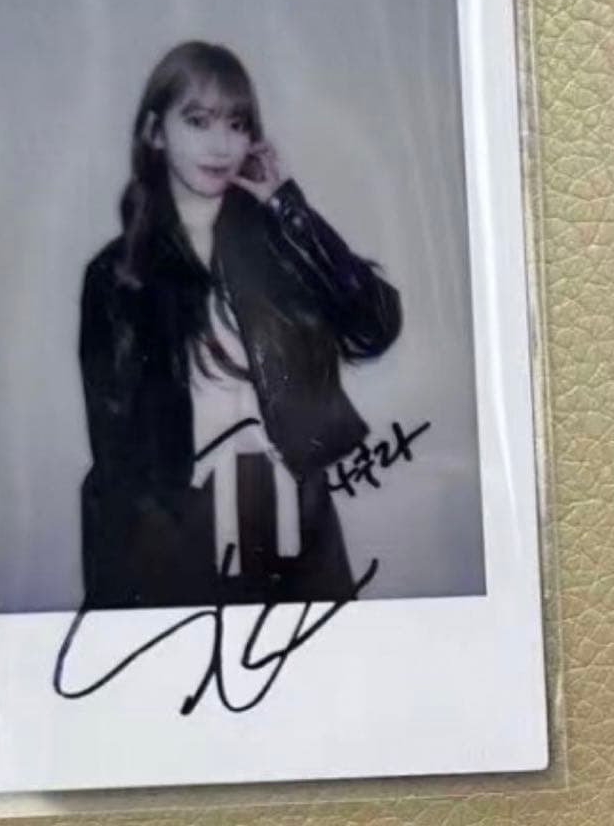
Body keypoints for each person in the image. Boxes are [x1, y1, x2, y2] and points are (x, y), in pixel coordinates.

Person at [79, 41, 402, 609]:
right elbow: (117, 451)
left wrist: (289, 208)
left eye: (237, 124)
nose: (220, 144)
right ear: (155, 132)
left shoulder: (283, 245)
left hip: (295, 520)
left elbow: (374, 327)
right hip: (176, 528)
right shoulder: (115, 276)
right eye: (198, 121)